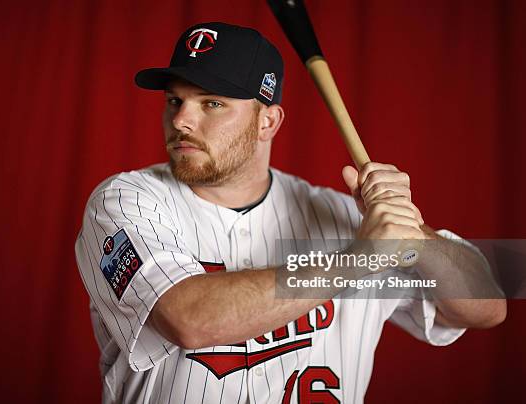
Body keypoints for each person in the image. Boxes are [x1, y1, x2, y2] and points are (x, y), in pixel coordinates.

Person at [74, 22, 506, 404]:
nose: (182, 120)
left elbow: (487, 307)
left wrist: (414, 236)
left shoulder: (347, 220)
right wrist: (360, 258)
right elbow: (188, 318)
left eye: (211, 103)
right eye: (174, 100)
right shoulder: (127, 200)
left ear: (268, 122)